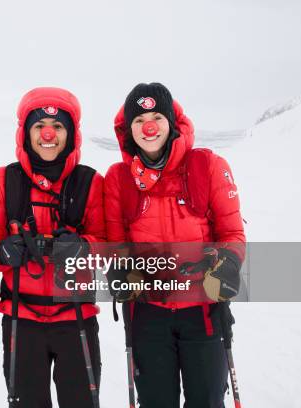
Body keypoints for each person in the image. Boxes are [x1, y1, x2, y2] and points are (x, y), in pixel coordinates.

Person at [104, 82, 246, 408]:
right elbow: (116, 246)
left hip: (204, 310)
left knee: (207, 401)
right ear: (129, 129)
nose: (148, 126)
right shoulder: (118, 178)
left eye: (156, 116)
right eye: (139, 120)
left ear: (171, 121)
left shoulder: (207, 166)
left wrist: (228, 265)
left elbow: (232, 234)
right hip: (148, 315)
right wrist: (121, 270)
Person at [0, 87, 105, 408]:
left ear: (71, 134)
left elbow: (108, 247)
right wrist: (4, 252)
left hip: (76, 316)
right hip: (21, 320)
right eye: (39, 126)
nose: (48, 134)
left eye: (58, 127)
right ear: (26, 133)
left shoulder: (90, 182)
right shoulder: (2, 180)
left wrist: (80, 248)